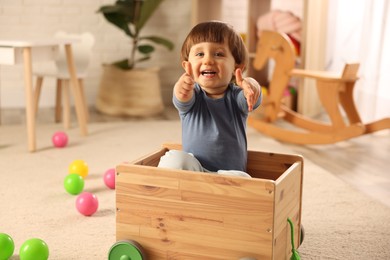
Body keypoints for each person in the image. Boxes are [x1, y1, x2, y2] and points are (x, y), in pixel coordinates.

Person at [158, 21, 262, 177]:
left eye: (219, 54)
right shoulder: (192, 95)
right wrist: (182, 88)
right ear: (187, 65)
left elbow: (251, 97)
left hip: (229, 175)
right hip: (194, 172)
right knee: (173, 159)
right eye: (200, 54)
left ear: (236, 66)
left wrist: (251, 86)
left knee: (244, 179)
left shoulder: (236, 97)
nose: (208, 60)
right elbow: (182, 98)